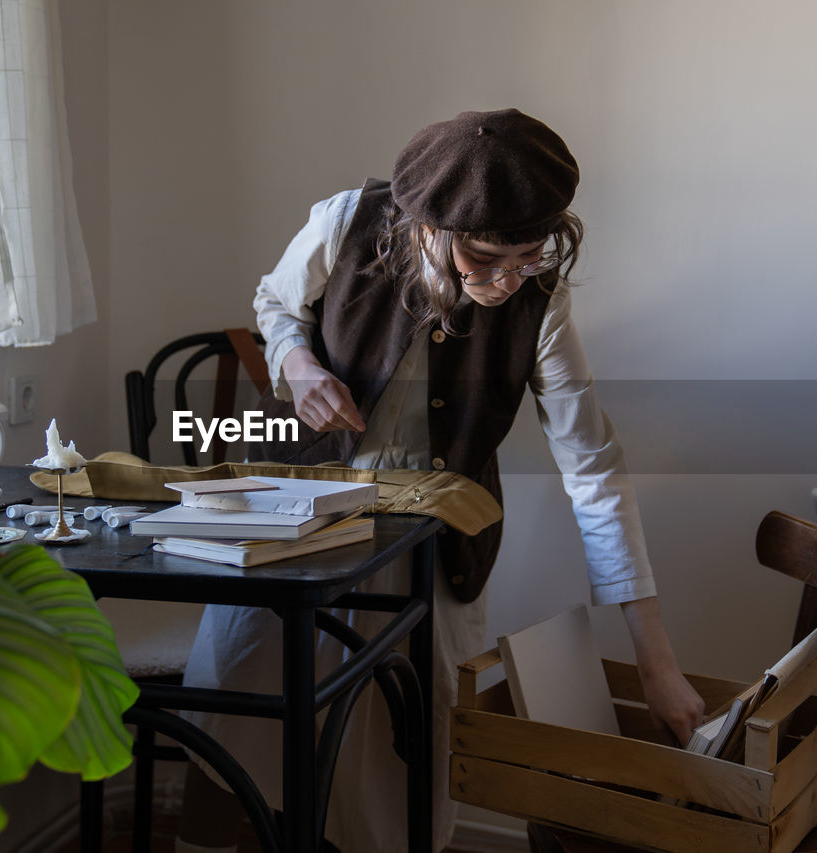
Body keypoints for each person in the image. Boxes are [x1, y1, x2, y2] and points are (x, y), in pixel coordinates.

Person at [175, 108, 705, 853]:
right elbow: (275, 302)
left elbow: (592, 467)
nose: (508, 279)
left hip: (433, 547)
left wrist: (656, 662)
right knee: (236, 717)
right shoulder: (343, 223)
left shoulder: (540, 302)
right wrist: (298, 364)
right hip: (296, 516)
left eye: (527, 255)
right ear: (429, 229)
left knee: (403, 762)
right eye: (487, 259)